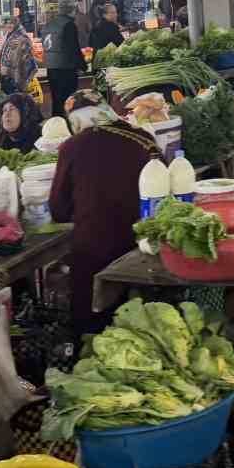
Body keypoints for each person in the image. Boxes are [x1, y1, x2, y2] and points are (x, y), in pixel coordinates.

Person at [47, 111, 162, 328]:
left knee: (93, 327)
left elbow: (58, 209)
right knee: (147, 322)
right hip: (144, 249)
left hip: (93, 251)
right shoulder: (145, 139)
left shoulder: (73, 145)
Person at [40, 3, 85, 116]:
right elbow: (73, 47)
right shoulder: (69, 25)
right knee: (68, 99)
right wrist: (82, 65)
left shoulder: (48, 24)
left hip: (51, 67)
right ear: (71, 11)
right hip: (66, 67)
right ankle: (68, 123)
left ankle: (57, 121)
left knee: (56, 98)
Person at [0, 17, 39, 98]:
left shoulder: (22, 37)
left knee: (17, 97)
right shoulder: (9, 35)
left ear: (17, 24)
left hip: (17, 73)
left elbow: (26, 56)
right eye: (7, 23)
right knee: (11, 96)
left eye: (11, 23)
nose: (9, 25)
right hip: (8, 74)